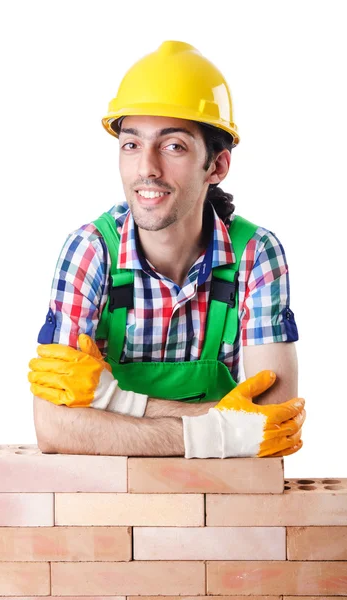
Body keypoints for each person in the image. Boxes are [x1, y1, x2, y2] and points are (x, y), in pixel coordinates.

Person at [28, 41, 305, 460]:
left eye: (173, 146)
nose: (146, 169)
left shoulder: (255, 255)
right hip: (106, 510)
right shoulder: (90, 252)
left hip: (219, 507)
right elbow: (52, 426)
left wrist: (109, 403)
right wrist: (222, 433)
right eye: (131, 145)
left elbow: (271, 422)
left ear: (217, 166)